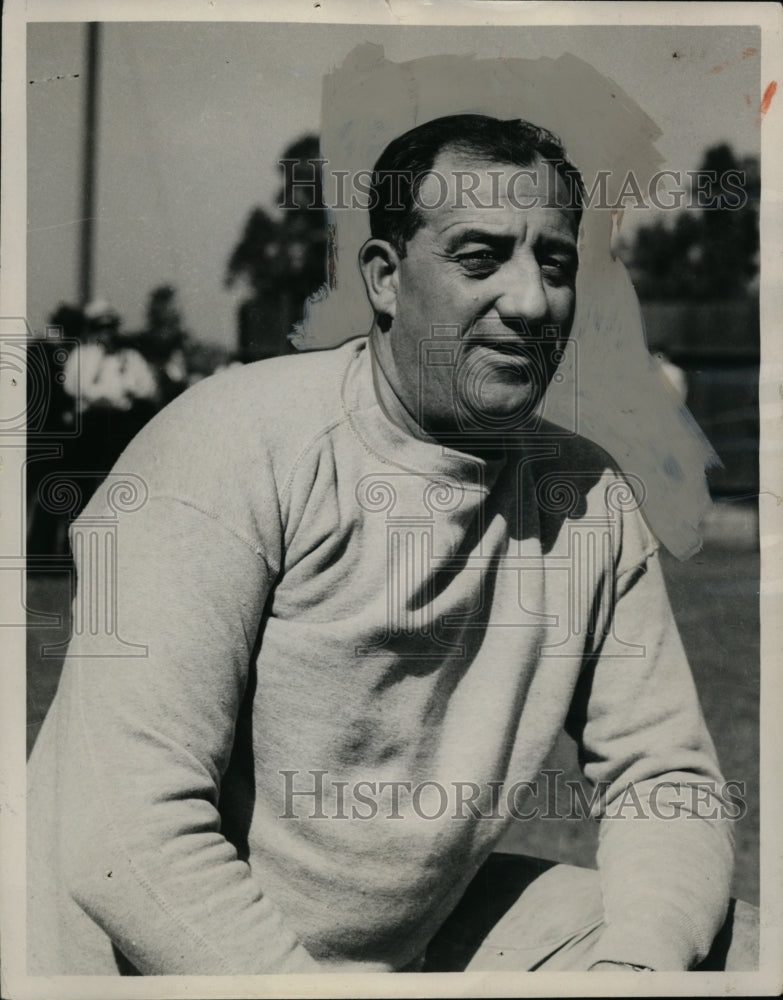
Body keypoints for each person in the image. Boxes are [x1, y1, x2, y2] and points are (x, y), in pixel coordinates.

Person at [28, 114, 741, 975]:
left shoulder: (584, 492)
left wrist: (638, 967)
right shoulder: (230, 444)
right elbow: (126, 833)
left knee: (740, 946)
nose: (528, 301)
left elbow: (665, 781)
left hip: (392, 955)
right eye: (478, 258)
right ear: (385, 279)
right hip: (138, 963)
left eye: (552, 263)